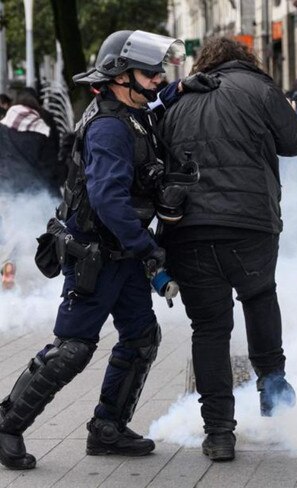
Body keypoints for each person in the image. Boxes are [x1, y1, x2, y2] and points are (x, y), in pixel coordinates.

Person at [0, 30, 185, 470]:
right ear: (121, 76)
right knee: (73, 348)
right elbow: (108, 201)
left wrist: (184, 87)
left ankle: (108, 428)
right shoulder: (107, 127)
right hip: (97, 257)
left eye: (161, 72)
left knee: (141, 338)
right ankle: (7, 424)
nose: (158, 79)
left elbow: (159, 102)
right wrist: (149, 250)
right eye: (150, 72)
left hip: (123, 255)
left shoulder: (132, 112)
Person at [160, 36, 297, 462]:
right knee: (259, 297)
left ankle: (219, 433)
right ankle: (272, 384)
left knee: (209, 331)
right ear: (246, 58)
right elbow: (294, 143)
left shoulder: (177, 100)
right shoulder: (261, 89)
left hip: (188, 228)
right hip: (250, 223)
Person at [0, 90, 59, 195]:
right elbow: (50, 166)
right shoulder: (42, 129)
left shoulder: (3, 127)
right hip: (34, 190)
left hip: (7, 189)